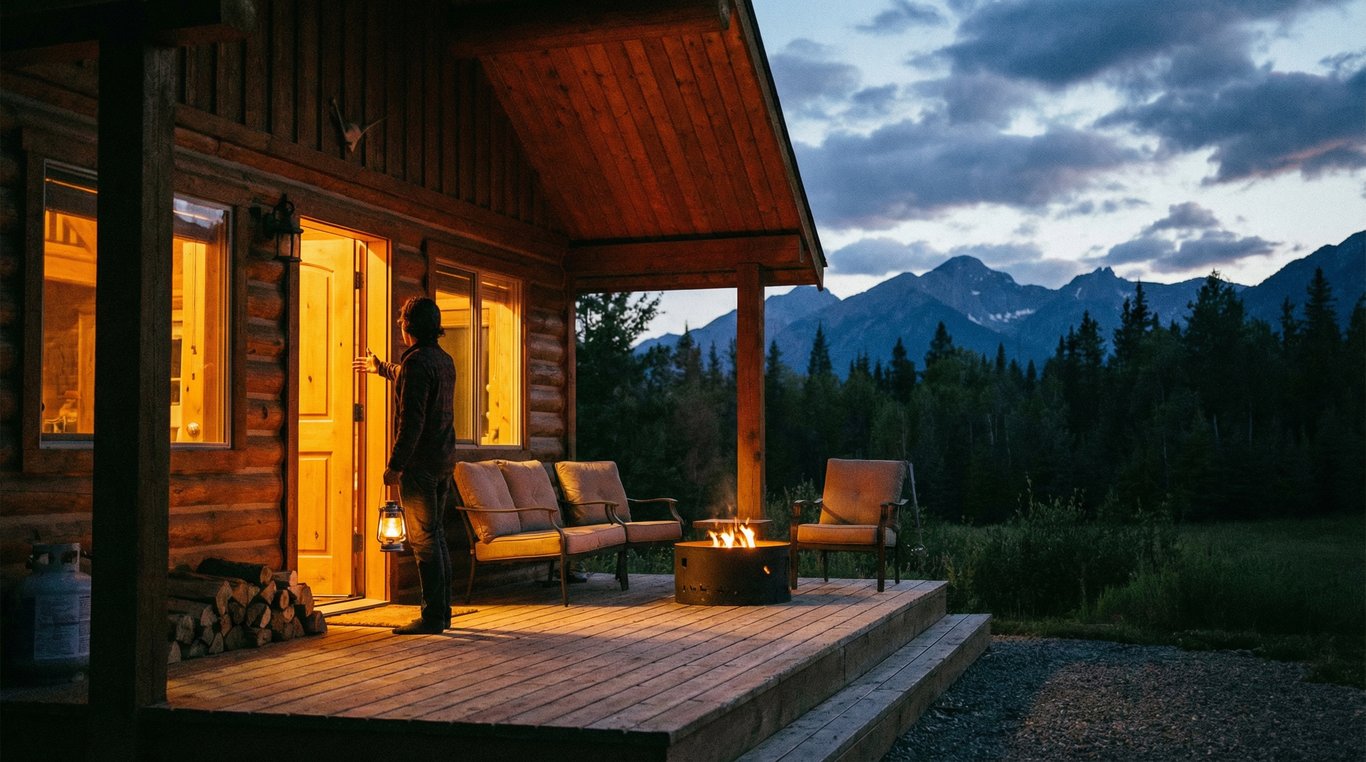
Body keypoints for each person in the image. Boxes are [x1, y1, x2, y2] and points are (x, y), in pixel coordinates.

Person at [354, 296, 456, 635]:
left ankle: (432, 617)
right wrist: (381, 367)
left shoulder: (416, 363)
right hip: (443, 461)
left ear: (407, 326)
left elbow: (411, 422)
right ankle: (442, 613)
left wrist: (395, 465)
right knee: (436, 536)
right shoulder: (443, 361)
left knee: (425, 541)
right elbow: (408, 378)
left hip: (421, 466)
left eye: (402, 322)